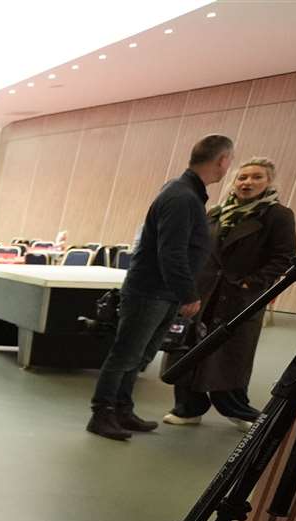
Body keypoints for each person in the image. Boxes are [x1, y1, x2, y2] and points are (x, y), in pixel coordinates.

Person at [86, 134, 234, 440]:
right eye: (229, 161)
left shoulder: (187, 192)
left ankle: (122, 410)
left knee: (139, 357)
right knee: (125, 355)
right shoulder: (182, 197)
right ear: (222, 161)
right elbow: (172, 251)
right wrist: (188, 293)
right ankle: (102, 414)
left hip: (161, 292)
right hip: (150, 291)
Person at [165, 156, 296, 430]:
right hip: (204, 292)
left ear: (269, 182)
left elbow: (283, 258)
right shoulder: (215, 212)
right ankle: (188, 409)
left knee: (231, 356)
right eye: (242, 177)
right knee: (190, 350)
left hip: (241, 297)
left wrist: (252, 283)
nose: (247, 182)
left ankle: (238, 410)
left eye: (256, 177)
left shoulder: (278, 215)